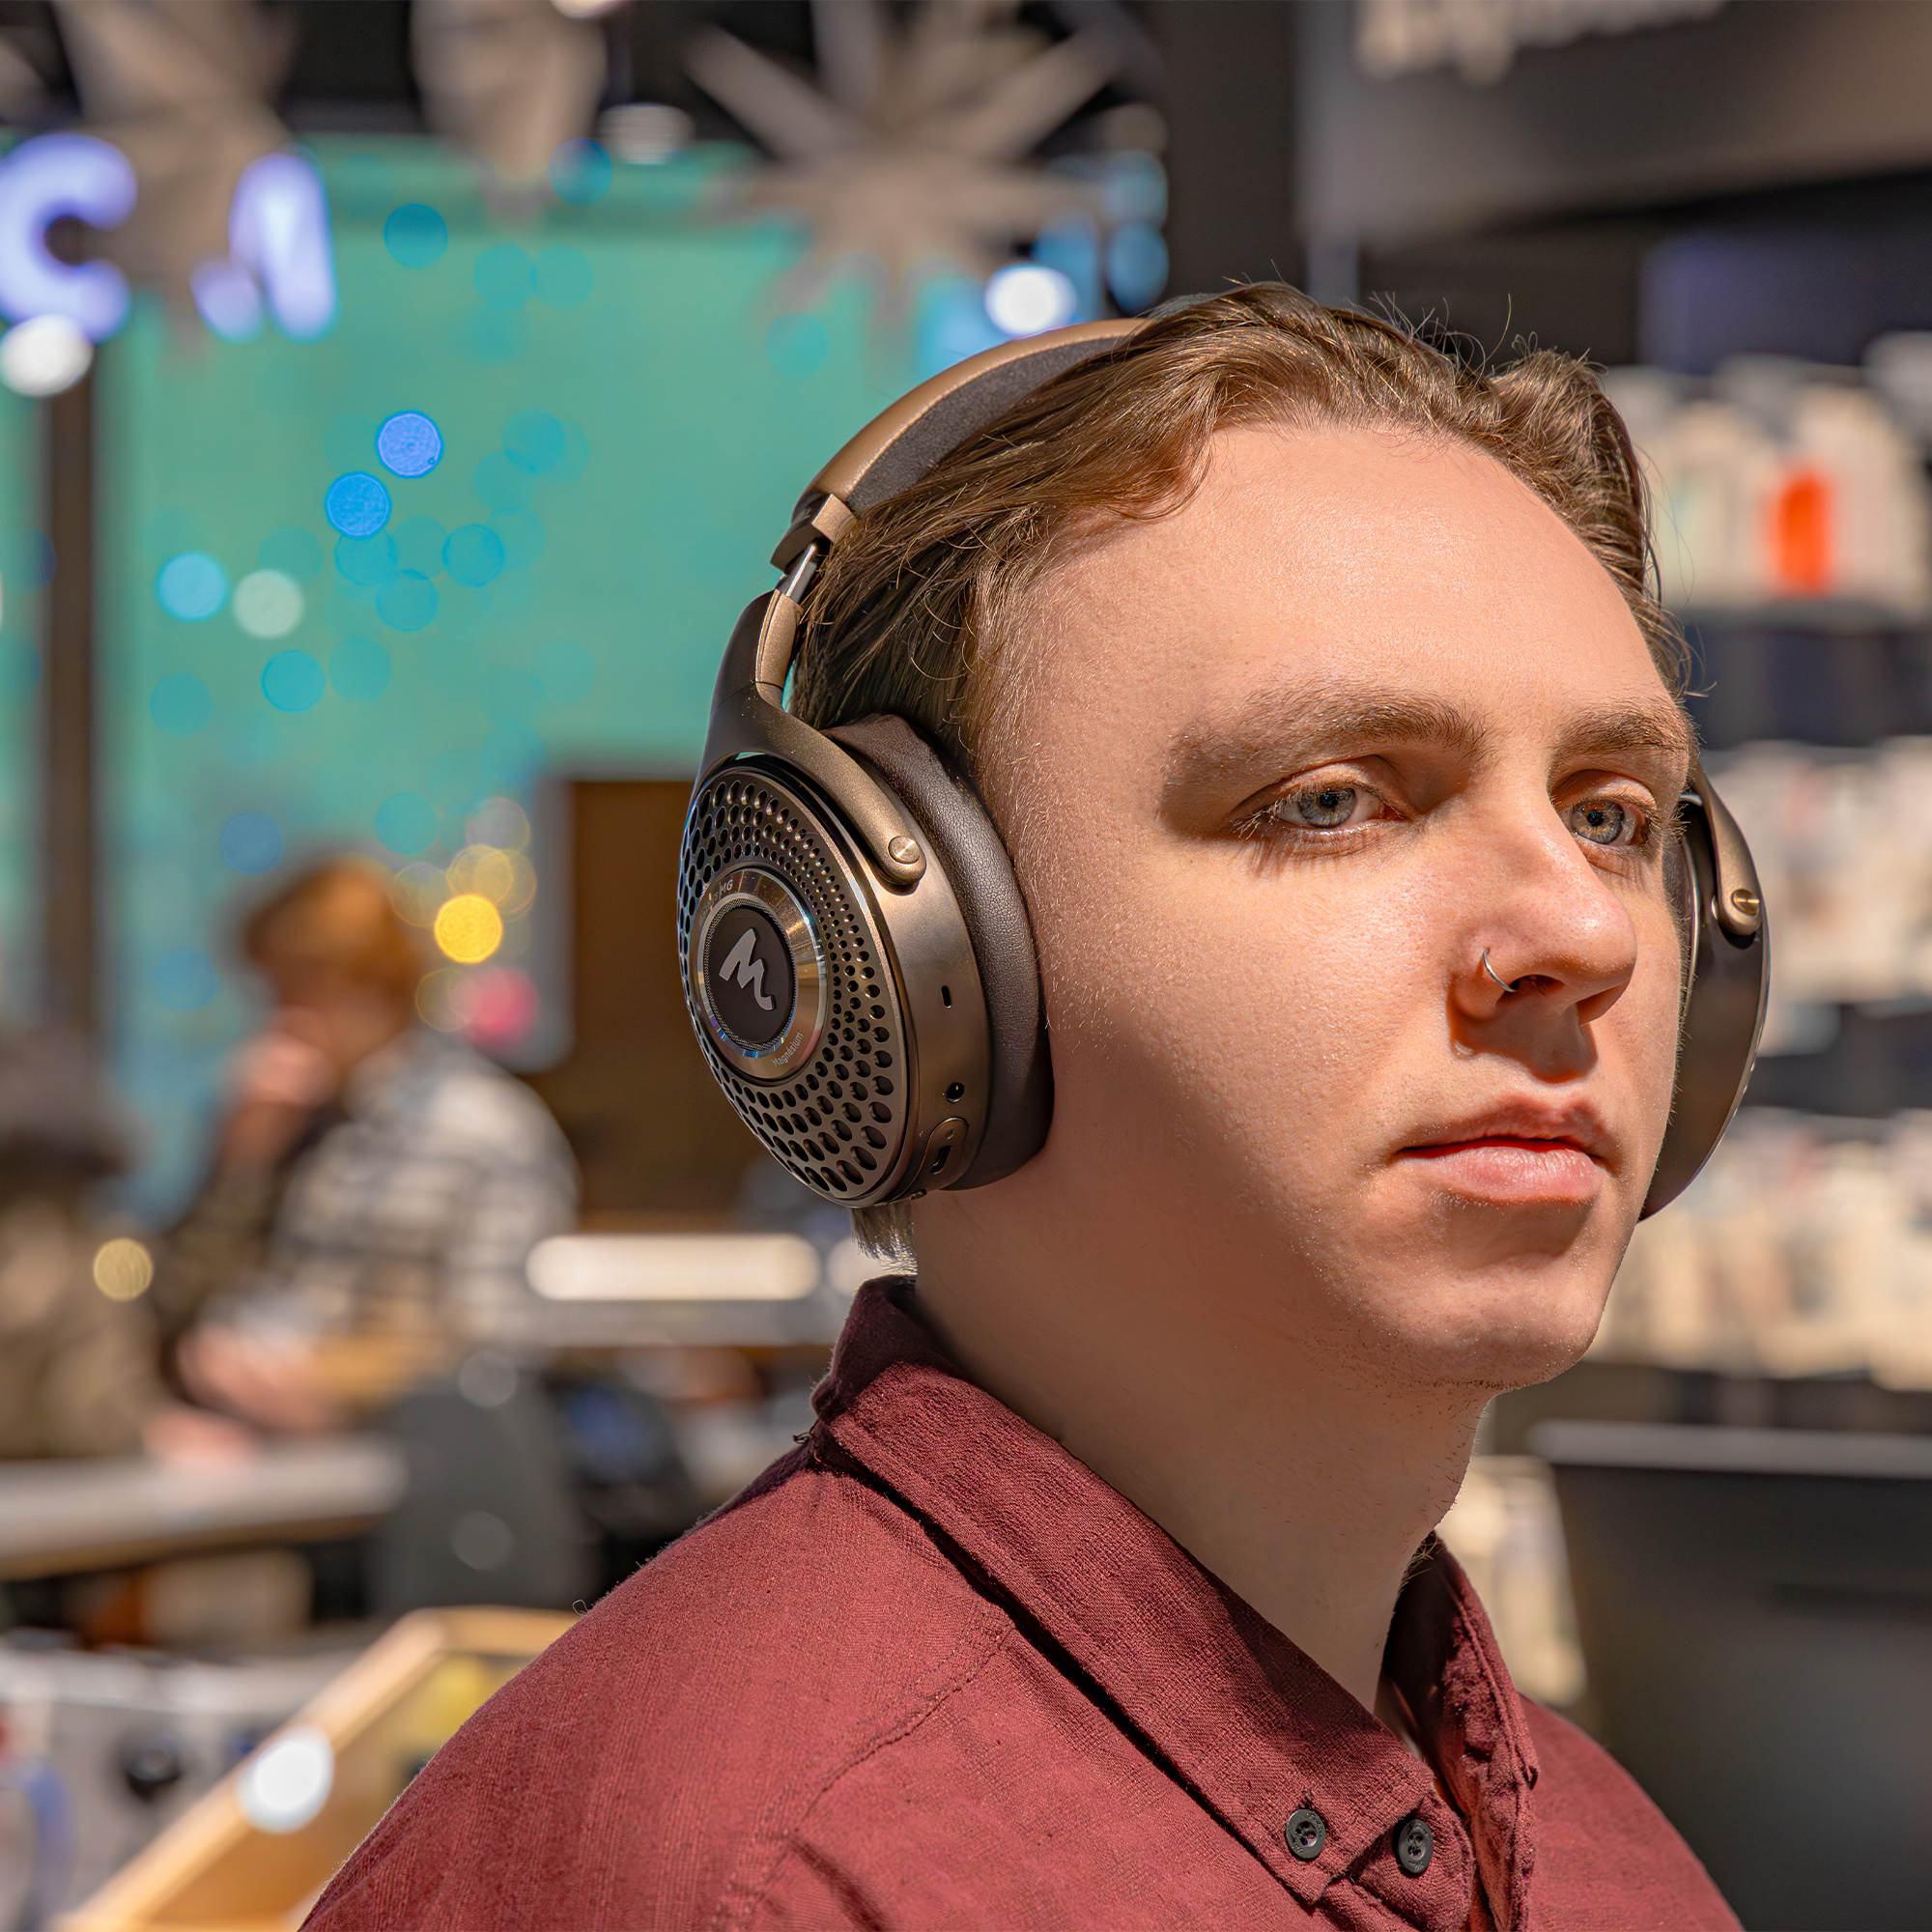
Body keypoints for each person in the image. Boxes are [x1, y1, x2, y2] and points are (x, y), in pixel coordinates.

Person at [306, 289, 1740, 1928]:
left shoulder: (1614, 1864)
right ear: (907, 962)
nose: (1584, 932)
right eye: (1333, 799)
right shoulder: (735, 1882)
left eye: (1613, 816)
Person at [157, 858, 576, 1433]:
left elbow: (497, 1352)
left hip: (406, 1463)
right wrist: (237, 1166)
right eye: (272, 993)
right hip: (246, 1449)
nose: (282, 1021)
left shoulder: (484, 1130)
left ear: (377, 985)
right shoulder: (282, 1121)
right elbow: (171, 1307)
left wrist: (327, 1383)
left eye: (301, 992)